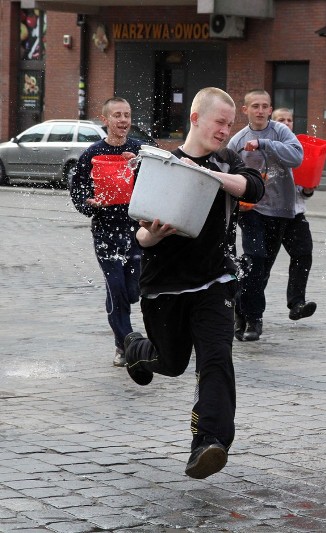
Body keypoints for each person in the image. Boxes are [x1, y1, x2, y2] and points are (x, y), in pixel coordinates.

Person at [122, 87, 265, 478]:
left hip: (214, 282)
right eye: (219, 122)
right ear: (196, 119)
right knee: (170, 363)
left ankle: (209, 443)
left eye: (229, 124)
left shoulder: (228, 161)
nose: (224, 131)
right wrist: (155, 234)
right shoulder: (161, 164)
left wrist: (211, 176)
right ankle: (136, 349)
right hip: (163, 286)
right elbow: (140, 236)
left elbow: (254, 187)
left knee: (216, 360)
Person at [227, 91, 313, 343]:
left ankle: (241, 311)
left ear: (270, 109)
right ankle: (254, 318)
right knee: (254, 259)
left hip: (282, 210)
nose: (261, 110)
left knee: (263, 268)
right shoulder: (238, 140)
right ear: (246, 110)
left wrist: (265, 144)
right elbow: (227, 173)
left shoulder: (280, 132)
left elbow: (296, 157)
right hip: (251, 211)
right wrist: (235, 202)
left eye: (265, 106)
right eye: (255, 106)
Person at [70, 97, 143, 367]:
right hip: (105, 231)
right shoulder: (92, 153)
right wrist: (88, 202)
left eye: (127, 114)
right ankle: (126, 343)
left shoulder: (140, 150)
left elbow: (161, 178)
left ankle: (125, 339)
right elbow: (78, 188)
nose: (123, 120)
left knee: (132, 290)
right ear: (105, 120)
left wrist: (140, 163)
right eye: (117, 115)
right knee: (116, 288)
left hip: (137, 230)